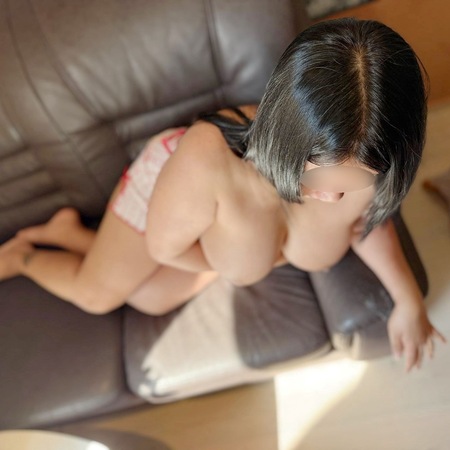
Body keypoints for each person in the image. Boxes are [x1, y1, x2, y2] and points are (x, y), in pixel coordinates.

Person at [0, 18, 445, 372]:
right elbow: (164, 248)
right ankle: (23, 256)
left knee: (150, 297)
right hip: (168, 186)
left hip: (214, 214)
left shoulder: (373, 158)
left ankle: (72, 233)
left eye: (352, 181)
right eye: (317, 177)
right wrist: (232, 257)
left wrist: (407, 300)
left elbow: (367, 225)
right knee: (97, 296)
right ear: (288, 133)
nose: (332, 198)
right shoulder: (206, 162)